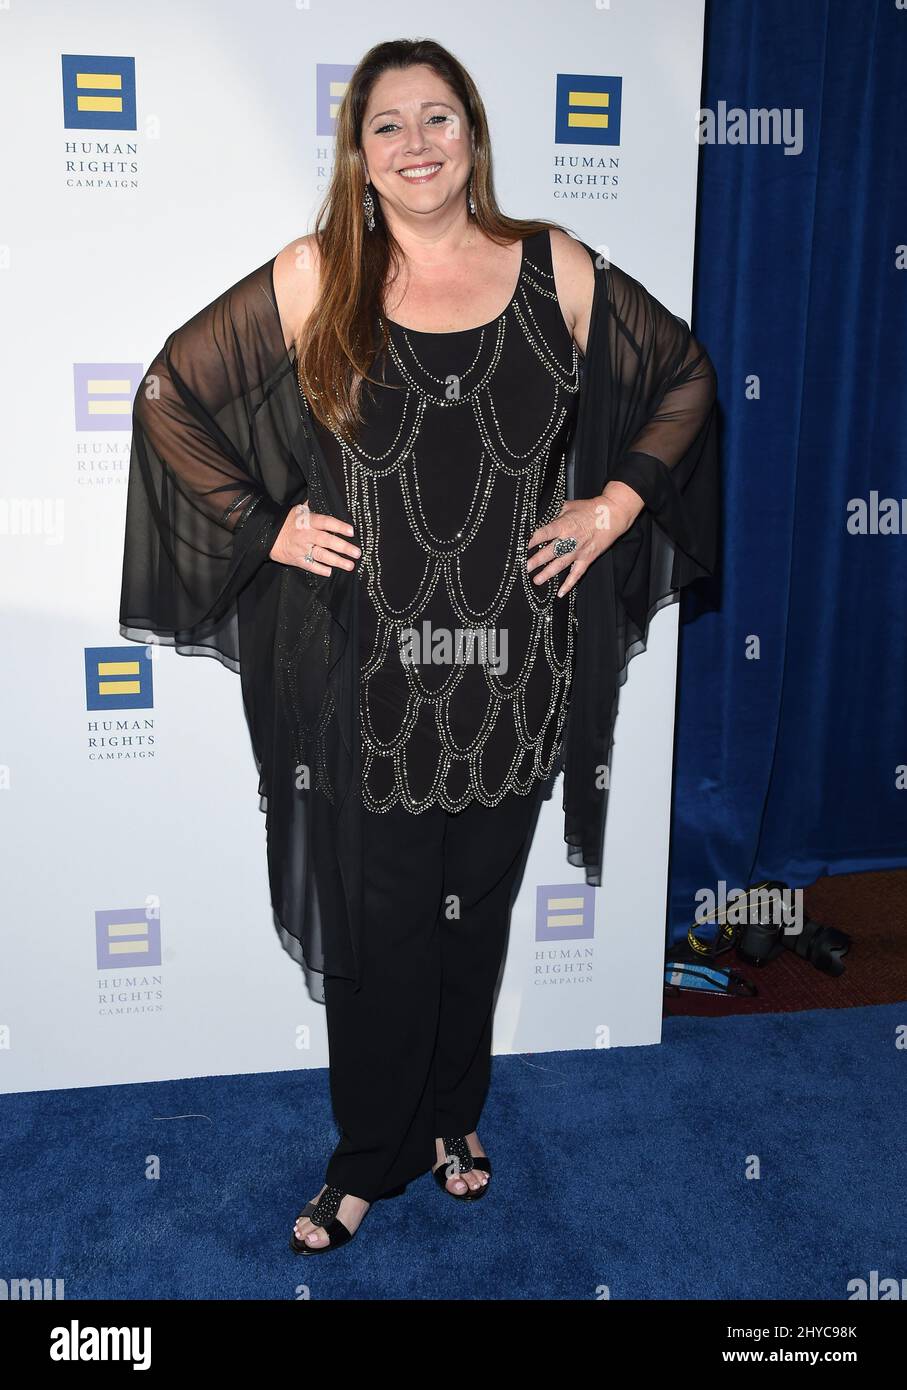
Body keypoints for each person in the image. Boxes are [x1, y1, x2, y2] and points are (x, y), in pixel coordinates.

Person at [119, 38, 720, 1256]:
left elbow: (685, 376)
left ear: (473, 135)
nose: (415, 143)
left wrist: (611, 507)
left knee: (475, 916)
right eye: (388, 124)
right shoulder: (315, 276)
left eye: (437, 118)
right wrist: (265, 526)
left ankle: (454, 1120)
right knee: (379, 922)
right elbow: (167, 400)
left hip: (512, 664)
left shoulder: (553, 264)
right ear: (359, 151)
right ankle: (363, 1159)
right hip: (367, 674)